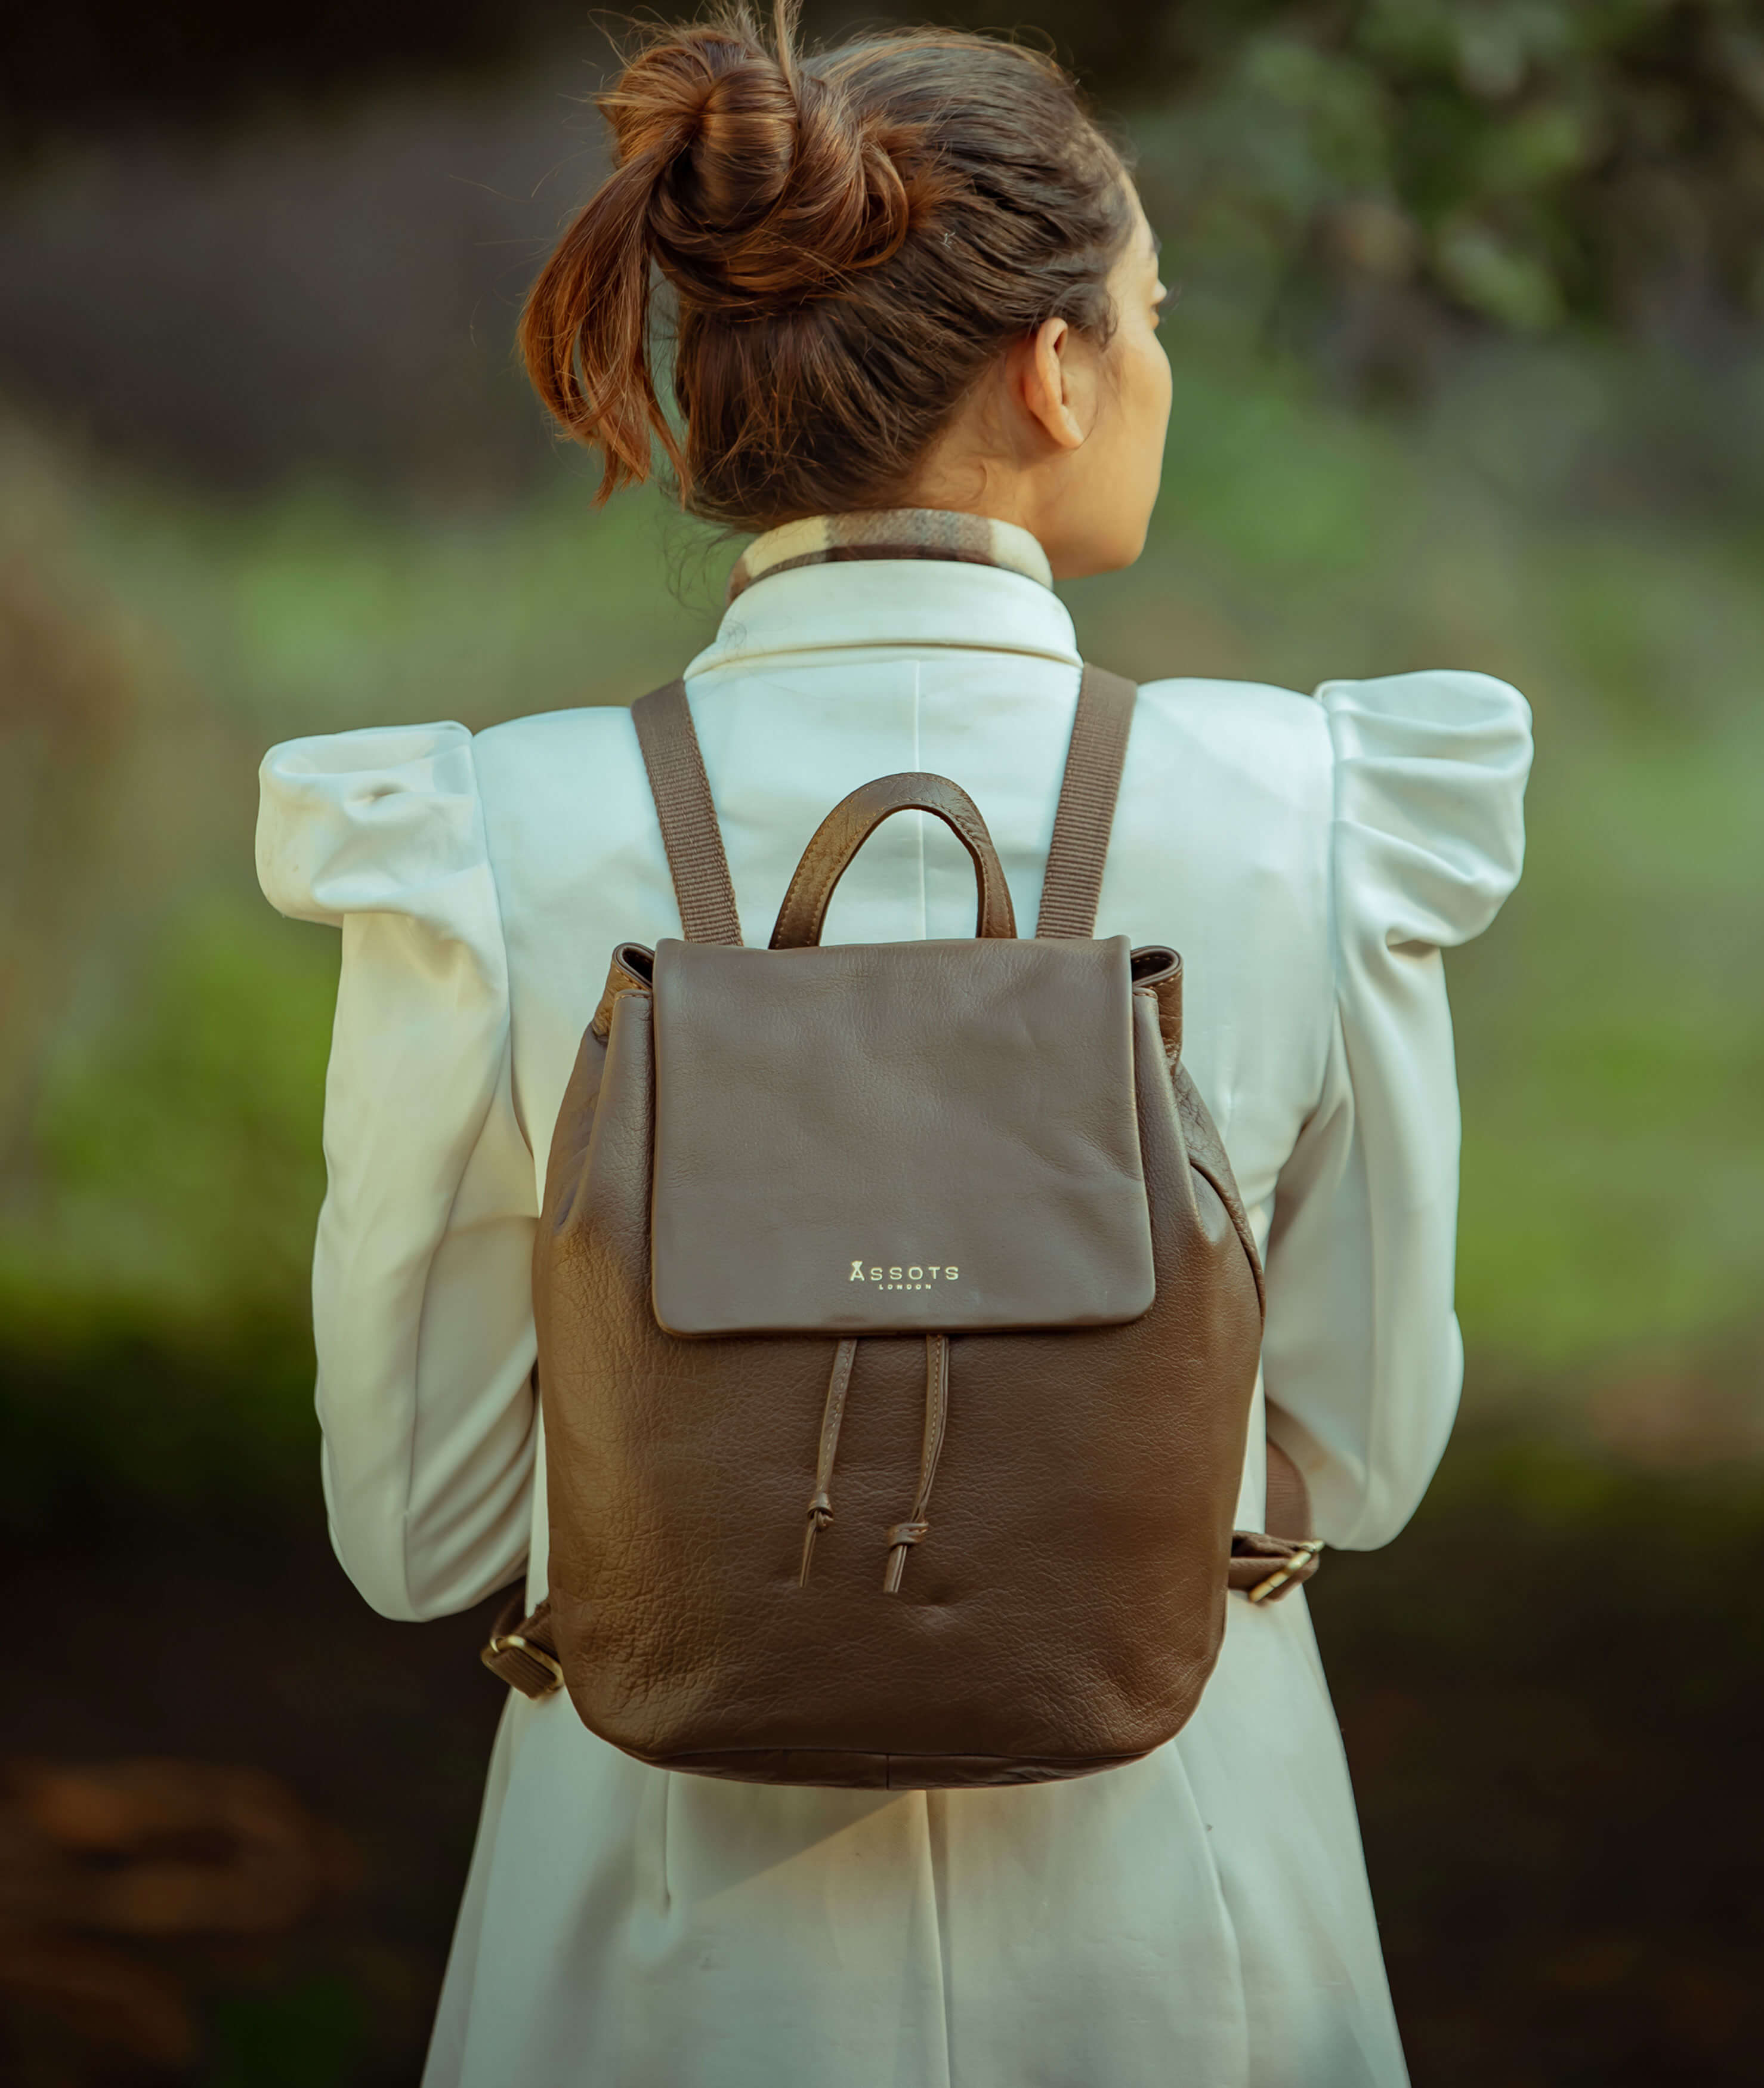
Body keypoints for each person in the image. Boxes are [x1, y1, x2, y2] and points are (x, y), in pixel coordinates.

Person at [254, 7, 1531, 2083]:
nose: (1159, 365)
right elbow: (1355, 1461)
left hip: (656, 1913)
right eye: (1151, 312)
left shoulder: (482, 840)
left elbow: (419, 1522)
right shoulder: (1316, 809)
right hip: (1185, 1892)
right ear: (1053, 369)